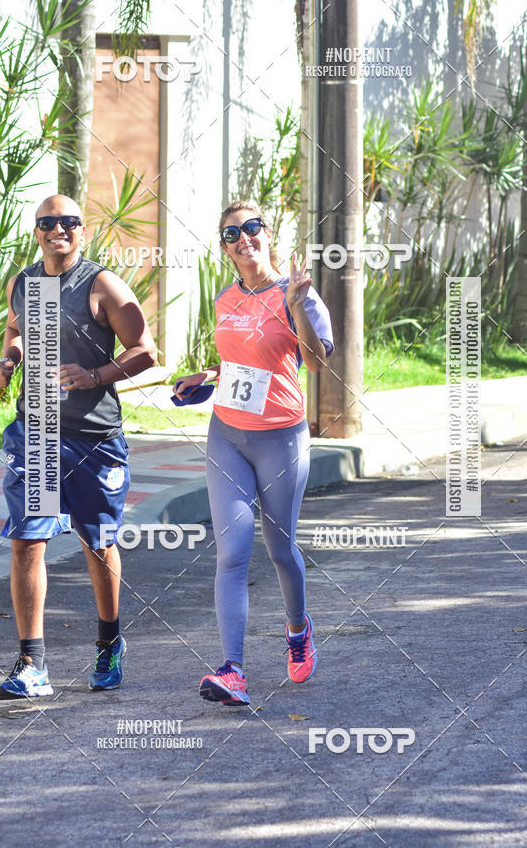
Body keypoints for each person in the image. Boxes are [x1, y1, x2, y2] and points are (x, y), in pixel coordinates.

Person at [0, 194, 157, 699]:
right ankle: (32, 664)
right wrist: (9, 360)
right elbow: (15, 329)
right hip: (37, 431)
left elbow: (145, 351)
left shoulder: (101, 284)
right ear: (36, 231)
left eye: (68, 222)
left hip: (93, 438)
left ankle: (109, 643)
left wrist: (96, 375)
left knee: (97, 543)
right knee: (28, 540)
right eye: (47, 222)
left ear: (82, 231)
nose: (57, 229)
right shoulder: (23, 283)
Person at [173, 201, 334, 706]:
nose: (243, 238)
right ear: (225, 248)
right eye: (231, 233)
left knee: (280, 550)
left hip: (281, 439)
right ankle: (233, 670)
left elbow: (315, 363)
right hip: (228, 435)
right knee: (232, 552)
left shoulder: (297, 293)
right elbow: (241, 364)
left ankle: (297, 629)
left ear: (268, 233)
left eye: (251, 227)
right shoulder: (224, 300)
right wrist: (205, 378)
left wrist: (298, 305)